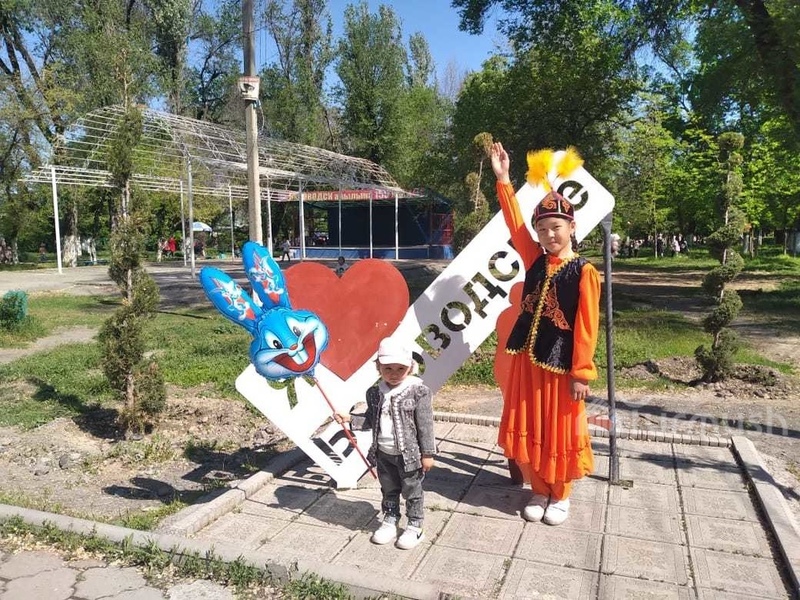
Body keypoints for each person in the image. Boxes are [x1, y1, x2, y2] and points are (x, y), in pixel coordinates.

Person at [490, 142, 601, 526]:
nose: (549, 234)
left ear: (572, 228)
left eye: (556, 227)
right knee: (533, 423)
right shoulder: (534, 258)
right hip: (528, 361)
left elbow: (587, 326)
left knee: (560, 428)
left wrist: (582, 373)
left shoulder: (584, 272)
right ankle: (539, 488)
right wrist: (504, 179)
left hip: (561, 366)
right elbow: (514, 224)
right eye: (542, 229)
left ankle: (561, 493)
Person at [334, 337, 436, 549]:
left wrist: (427, 453)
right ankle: (390, 520)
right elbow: (371, 420)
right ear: (378, 367)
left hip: (409, 456)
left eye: (400, 368)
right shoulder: (375, 393)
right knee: (388, 488)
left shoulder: (418, 392)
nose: (394, 373)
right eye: (388, 368)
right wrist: (350, 419)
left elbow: (425, 425)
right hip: (383, 453)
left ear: (410, 367)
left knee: (412, 490)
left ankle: (415, 525)